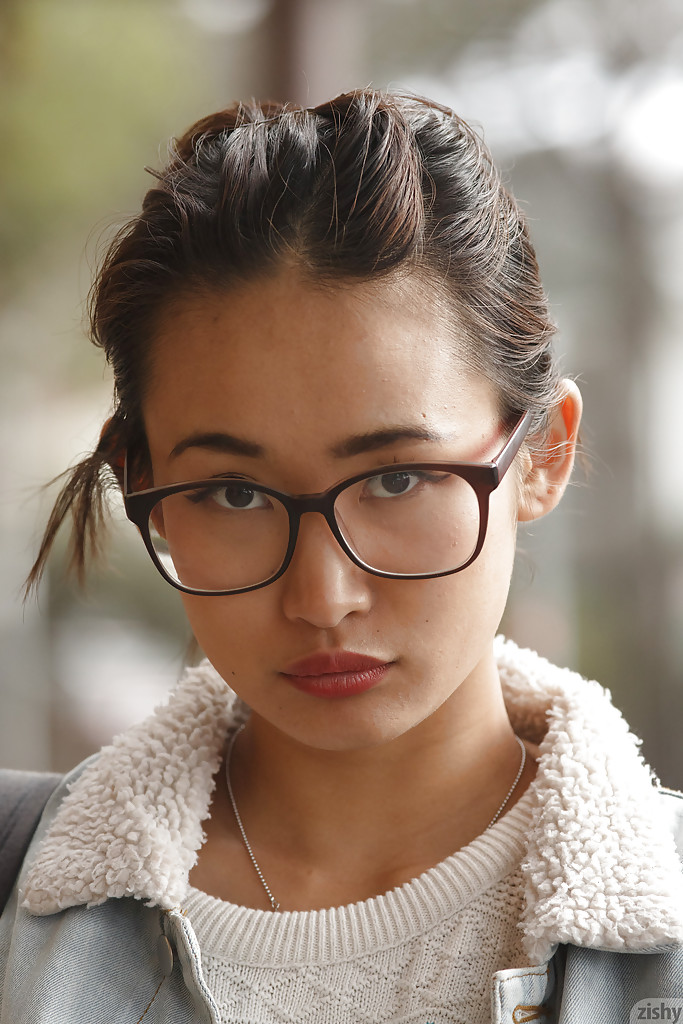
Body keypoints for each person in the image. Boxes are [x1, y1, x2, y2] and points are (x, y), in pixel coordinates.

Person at [1, 88, 683, 1024]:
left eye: (396, 479)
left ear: (542, 455)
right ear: (144, 488)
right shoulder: (18, 905)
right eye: (232, 494)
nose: (322, 596)